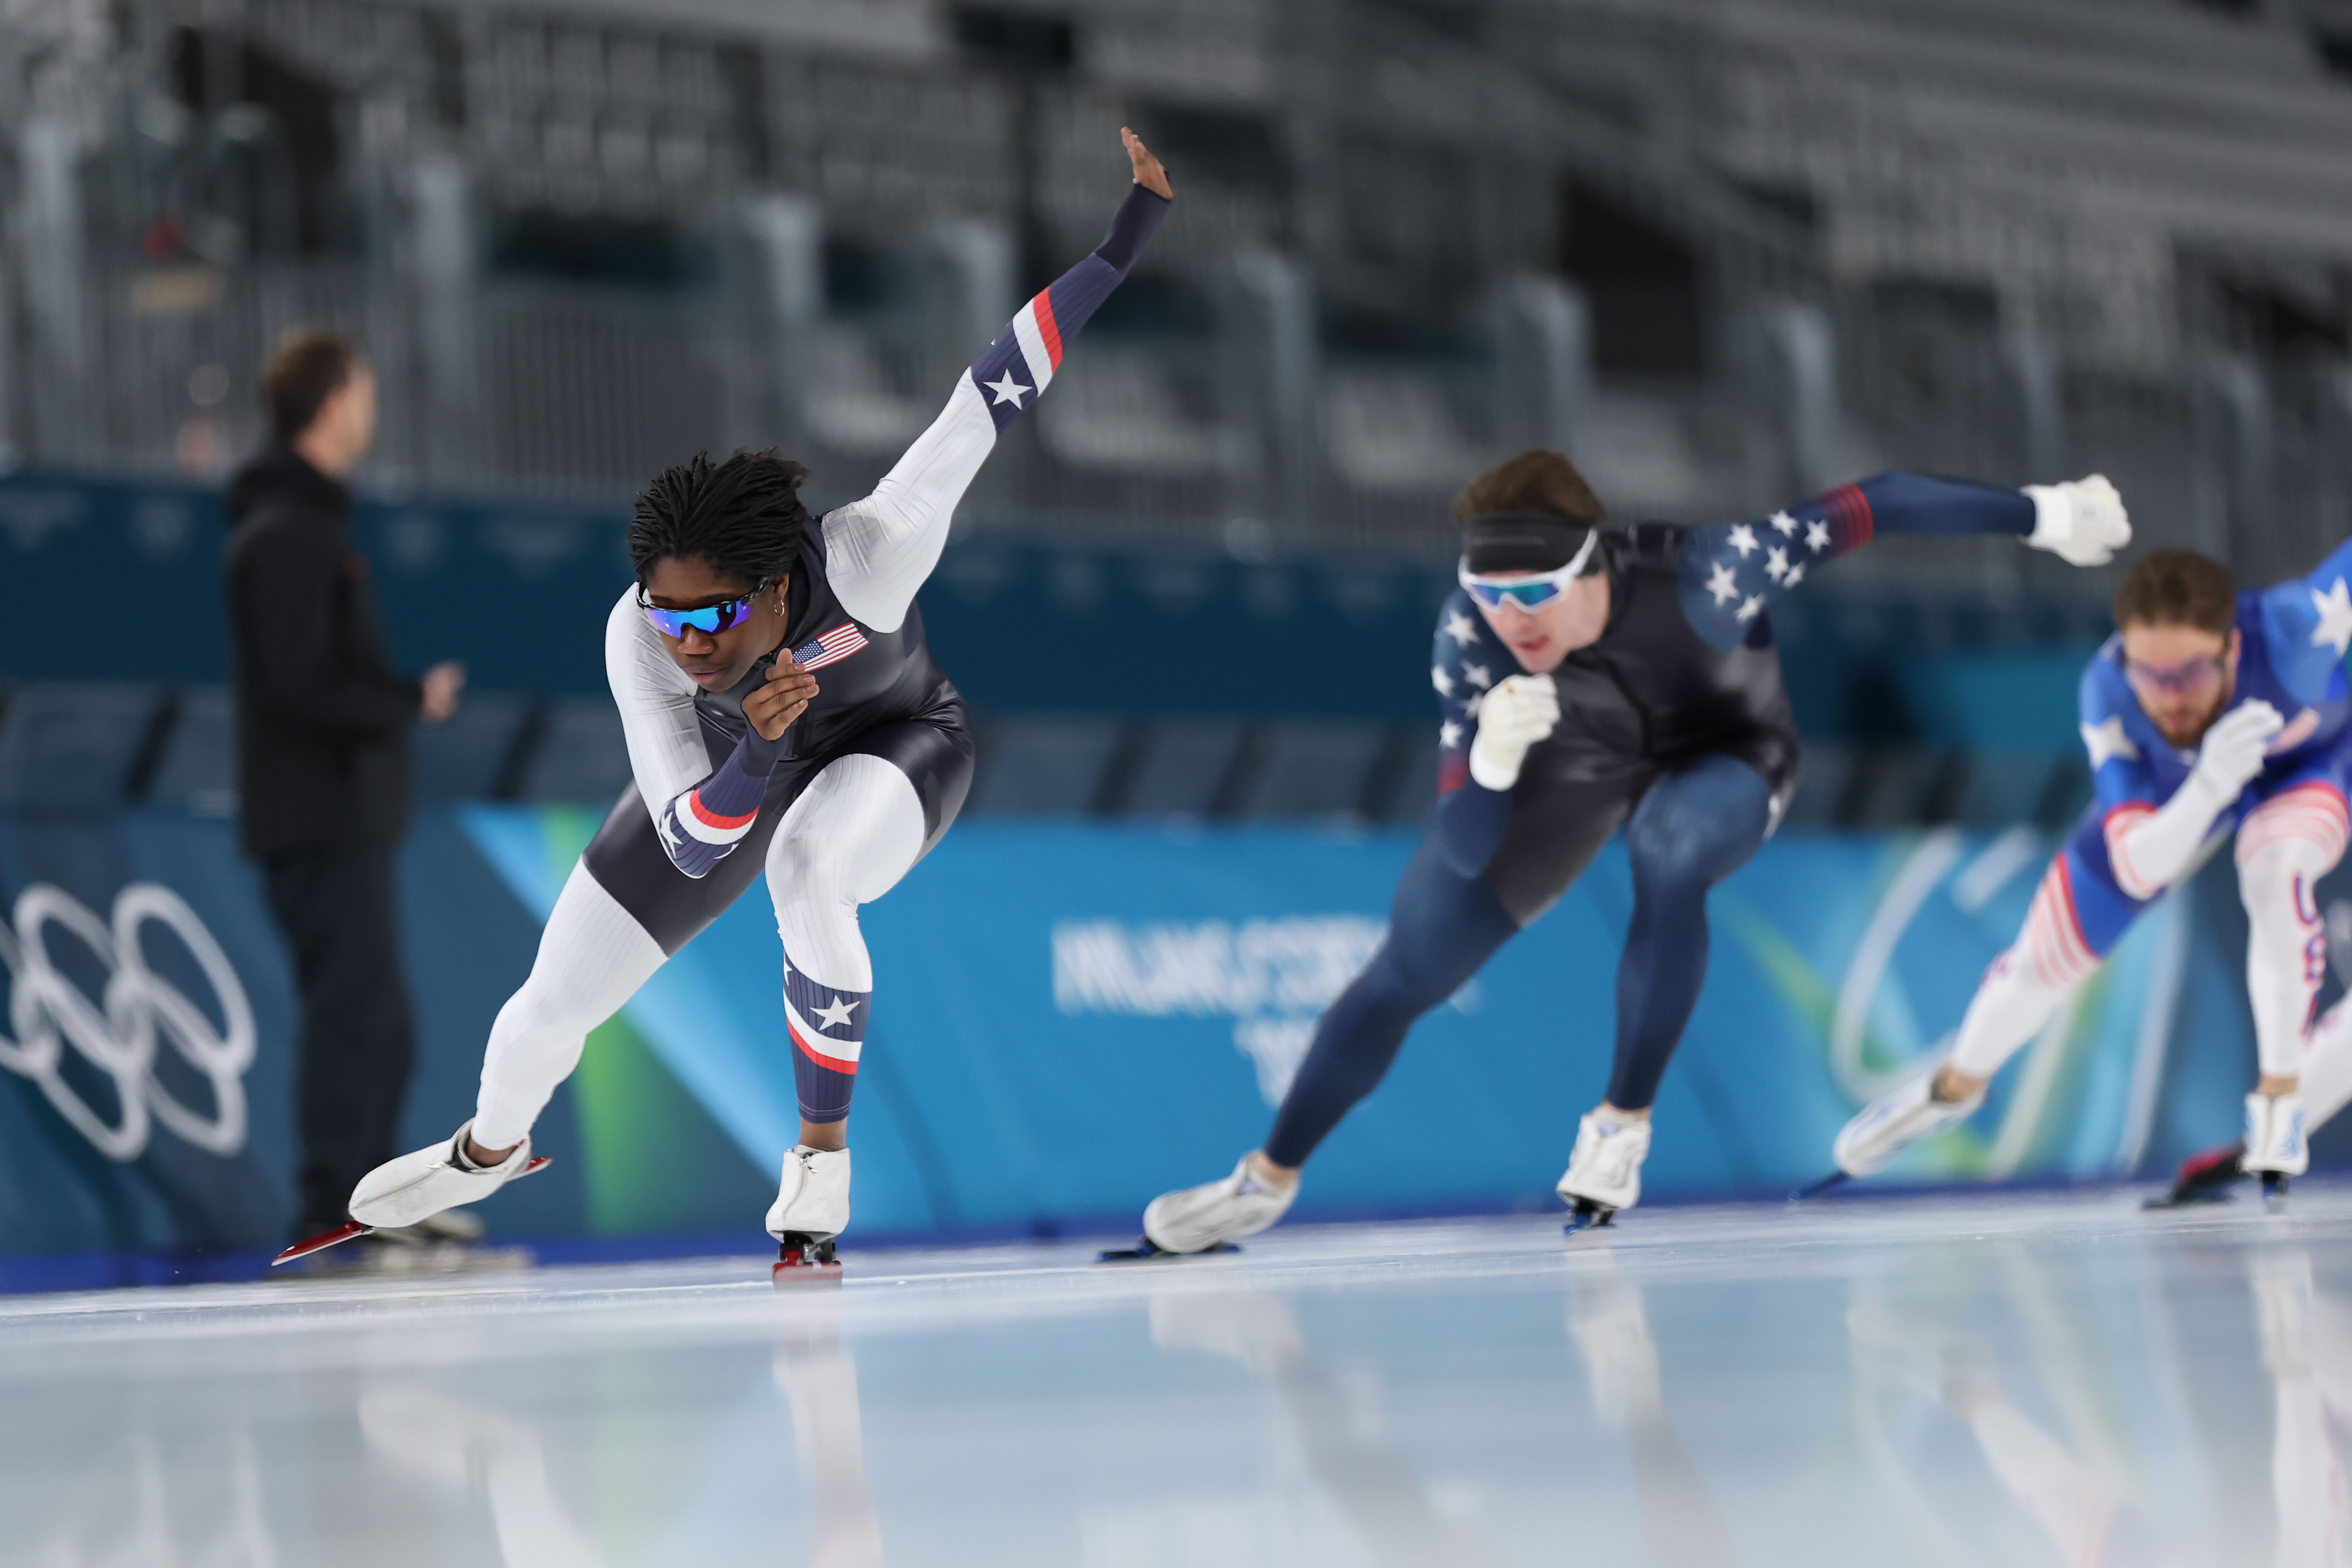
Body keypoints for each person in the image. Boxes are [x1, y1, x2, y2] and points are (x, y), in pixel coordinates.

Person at [334, 129, 1174, 1269]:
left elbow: (996, 386)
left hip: (898, 745)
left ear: (782, 587)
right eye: (667, 615)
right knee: (550, 1004)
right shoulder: (635, 638)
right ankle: (486, 1152)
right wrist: (749, 754)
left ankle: (820, 1161)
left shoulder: (875, 552)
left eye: (713, 618)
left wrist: (1125, 241)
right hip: (734, 782)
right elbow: (686, 843)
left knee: (810, 867)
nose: (687, 645)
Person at [1137, 454, 2130, 1252]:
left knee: (1669, 846)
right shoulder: (1470, 644)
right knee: (1409, 964)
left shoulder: (1712, 569)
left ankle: (1621, 1124)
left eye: (1535, 590)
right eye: (1488, 592)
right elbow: (1466, 846)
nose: (1512, 617)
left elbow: (1877, 503)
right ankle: (1264, 1180)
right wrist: (1486, 762)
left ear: (1592, 569)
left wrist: (2046, 514)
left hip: (1727, 754)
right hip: (1571, 763)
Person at [1833, 543, 2352, 1199]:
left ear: (2232, 651)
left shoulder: (2296, 625)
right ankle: (1952, 1089)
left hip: (2305, 771)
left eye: (2188, 674)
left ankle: (2280, 1099)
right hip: (2174, 802)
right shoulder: (2108, 690)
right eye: (2149, 674)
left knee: (2276, 872)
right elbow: (2139, 868)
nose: (2168, 698)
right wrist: (2208, 786)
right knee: (2035, 969)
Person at [223, 329, 467, 1252]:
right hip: (316, 812)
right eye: (362, 393)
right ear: (331, 405)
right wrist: (409, 698)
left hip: (340, 811)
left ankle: (374, 1202)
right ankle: (339, 1213)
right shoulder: (289, 533)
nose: (369, 410)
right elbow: (297, 681)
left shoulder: (309, 524)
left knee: (379, 1021)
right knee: (353, 1018)